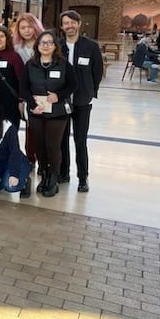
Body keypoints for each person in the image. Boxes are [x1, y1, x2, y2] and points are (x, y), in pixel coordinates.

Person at [20, 30, 77, 198]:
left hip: (58, 112)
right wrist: (31, 104)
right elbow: (23, 87)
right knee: (40, 146)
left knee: (53, 146)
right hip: (37, 112)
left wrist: (58, 96)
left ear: (55, 46)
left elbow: (73, 85)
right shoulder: (30, 65)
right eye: (42, 42)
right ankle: (44, 174)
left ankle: (53, 178)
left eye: (49, 43)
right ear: (37, 45)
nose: (45, 45)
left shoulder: (64, 64)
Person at [59, 10, 103, 193]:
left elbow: (97, 71)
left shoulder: (91, 46)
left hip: (82, 101)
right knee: (61, 140)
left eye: (72, 22)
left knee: (80, 140)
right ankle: (63, 173)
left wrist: (90, 91)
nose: (69, 26)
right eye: (65, 23)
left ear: (79, 23)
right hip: (61, 101)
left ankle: (83, 178)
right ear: (62, 27)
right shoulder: (58, 46)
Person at [12, 12, 45, 171]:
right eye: (22, 27)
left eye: (29, 26)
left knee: (45, 129)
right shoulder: (17, 48)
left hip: (45, 92)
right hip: (26, 94)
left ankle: (45, 160)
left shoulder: (45, 44)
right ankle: (31, 159)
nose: (26, 30)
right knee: (30, 129)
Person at [0, 25, 24, 127]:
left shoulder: (14, 56)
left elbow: (21, 79)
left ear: (7, 39)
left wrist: (21, 99)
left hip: (12, 100)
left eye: (2, 36)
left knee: (12, 129)